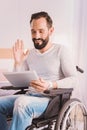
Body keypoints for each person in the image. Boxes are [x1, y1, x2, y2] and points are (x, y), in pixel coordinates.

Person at [0, 11, 77, 130]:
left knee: (22, 104)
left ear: (51, 31)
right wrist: (18, 62)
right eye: (33, 31)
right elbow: (19, 81)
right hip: (29, 95)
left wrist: (50, 85)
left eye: (41, 31)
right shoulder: (30, 54)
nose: (36, 36)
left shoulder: (61, 51)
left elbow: (74, 79)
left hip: (50, 100)